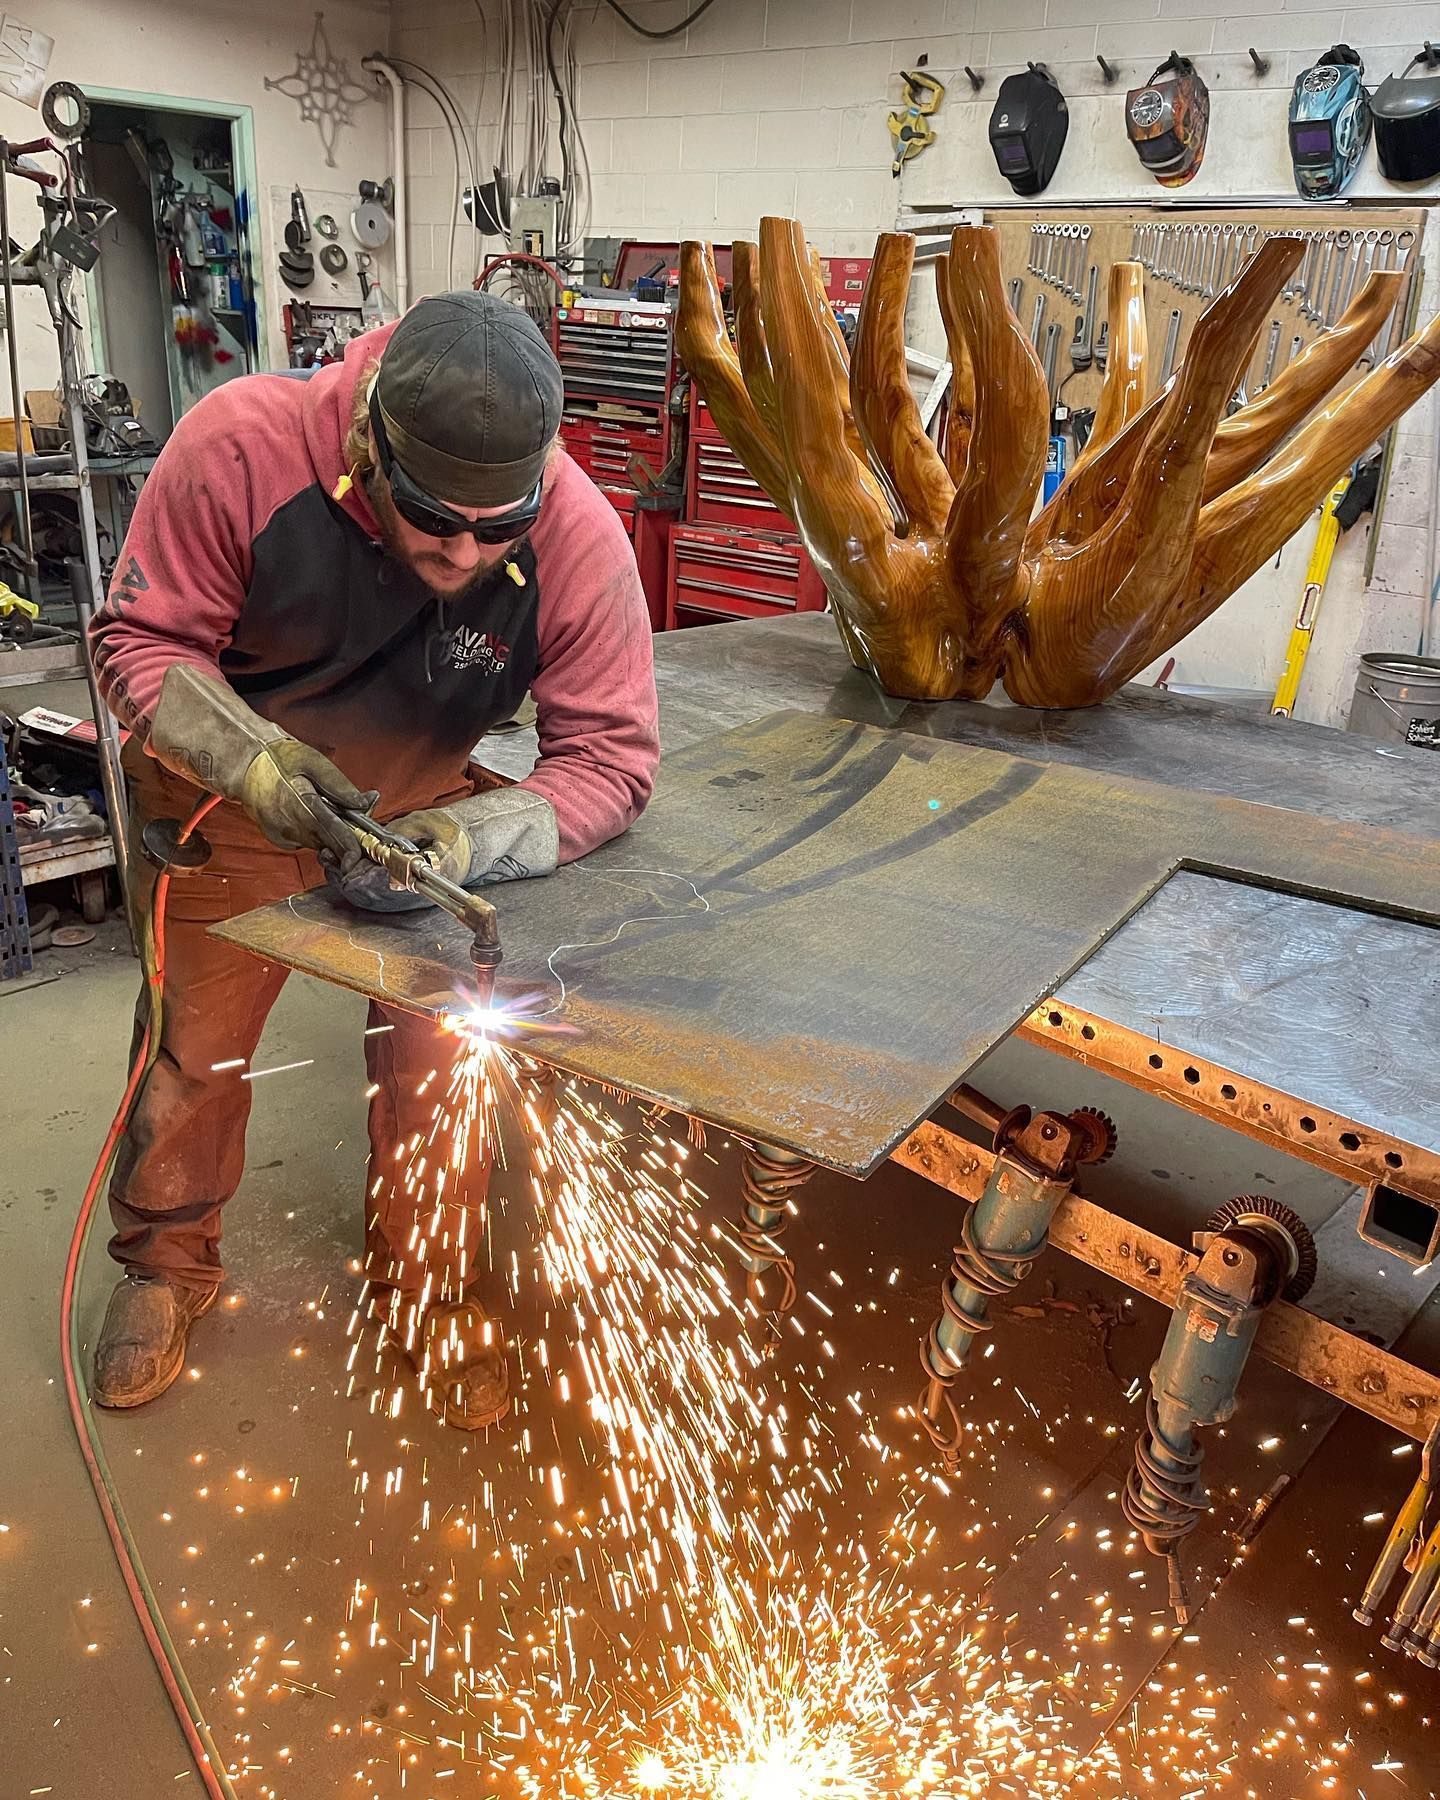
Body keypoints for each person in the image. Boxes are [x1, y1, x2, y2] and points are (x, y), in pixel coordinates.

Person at [86, 291, 660, 1429]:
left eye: (497, 530)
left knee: (443, 1066)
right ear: (369, 446)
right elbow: (139, 642)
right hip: (229, 800)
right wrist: (252, 764)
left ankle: (428, 1289)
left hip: (424, 814)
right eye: (433, 517)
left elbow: (612, 756)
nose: (464, 552)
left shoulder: (577, 532)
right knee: (194, 1053)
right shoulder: (241, 448)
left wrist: (478, 837)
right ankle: (164, 1263)